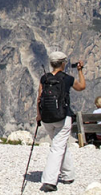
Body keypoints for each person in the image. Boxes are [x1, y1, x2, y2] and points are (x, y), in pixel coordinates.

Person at [36, 51, 85, 192]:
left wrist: (38, 115)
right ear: (63, 63)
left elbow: (39, 98)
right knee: (57, 147)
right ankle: (49, 181)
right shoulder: (68, 78)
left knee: (60, 144)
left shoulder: (44, 78)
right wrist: (80, 71)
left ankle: (68, 174)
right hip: (63, 118)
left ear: (51, 64)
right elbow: (81, 87)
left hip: (46, 118)